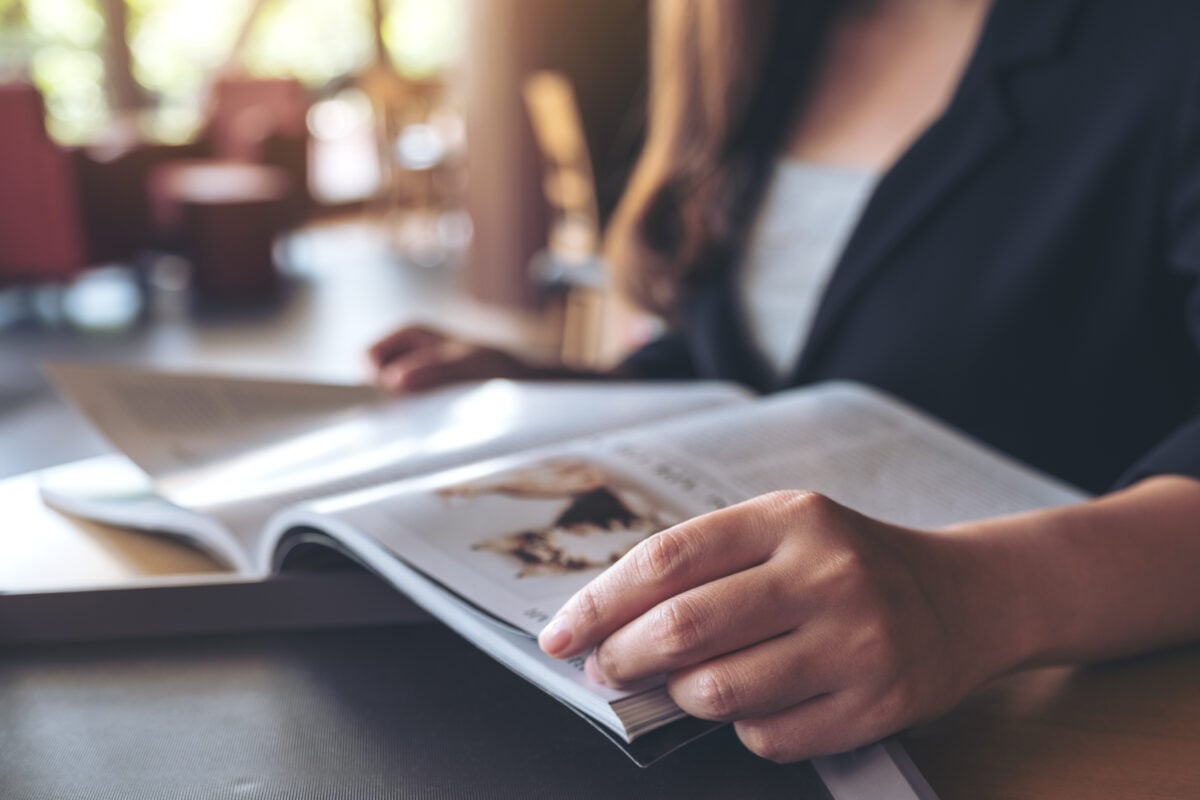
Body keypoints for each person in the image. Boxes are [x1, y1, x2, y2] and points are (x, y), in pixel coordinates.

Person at [368, 0, 1200, 762]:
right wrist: (554, 390)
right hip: (751, 715)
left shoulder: (1160, 42)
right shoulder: (764, 39)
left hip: (1058, 731)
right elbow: (734, 361)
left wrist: (977, 597)